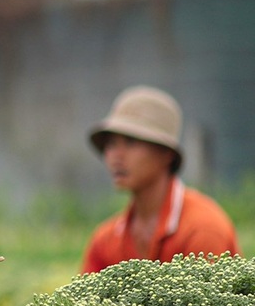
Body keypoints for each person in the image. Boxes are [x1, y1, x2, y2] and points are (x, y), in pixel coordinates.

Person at [81, 85, 239, 273]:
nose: (116, 156)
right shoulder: (105, 240)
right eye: (111, 143)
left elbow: (206, 301)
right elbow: (82, 301)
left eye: (131, 142)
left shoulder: (202, 229)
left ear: (166, 154)